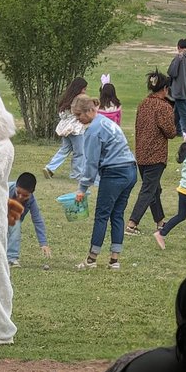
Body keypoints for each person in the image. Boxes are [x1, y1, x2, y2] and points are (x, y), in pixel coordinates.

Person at [73, 94, 138, 270]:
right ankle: (114, 260)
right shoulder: (105, 121)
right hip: (131, 170)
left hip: (115, 173)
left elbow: (91, 163)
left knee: (102, 215)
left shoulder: (93, 130)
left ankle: (91, 259)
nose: (78, 119)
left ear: (89, 111)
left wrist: (82, 188)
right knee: (117, 214)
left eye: (79, 115)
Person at [126, 71, 177, 236]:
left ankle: (160, 221)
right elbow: (170, 132)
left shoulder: (143, 104)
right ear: (165, 89)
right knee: (148, 189)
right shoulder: (163, 107)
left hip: (141, 153)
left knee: (154, 189)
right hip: (156, 154)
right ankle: (132, 223)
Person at [44, 77, 88, 180]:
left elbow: (62, 114)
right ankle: (76, 174)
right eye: (84, 89)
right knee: (79, 152)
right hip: (76, 130)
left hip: (65, 129)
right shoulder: (80, 100)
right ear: (79, 89)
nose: (85, 91)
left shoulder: (67, 99)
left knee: (64, 149)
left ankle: (50, 168)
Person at [7, 172, 50, 267]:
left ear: (31, 194)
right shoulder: (5, 189)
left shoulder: (31, 201)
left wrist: (43, 243)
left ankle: (11, 258)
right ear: (16, 186)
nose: (20, 197)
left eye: (25, 195)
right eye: (18, 193)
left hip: (13, 218)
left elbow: (37, 220)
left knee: (15, 225)